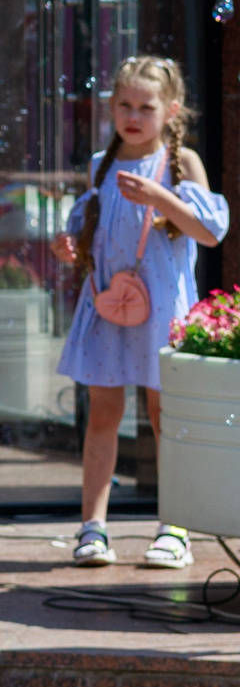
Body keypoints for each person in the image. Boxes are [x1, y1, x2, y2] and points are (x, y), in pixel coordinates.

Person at [57, 55, 226, 569]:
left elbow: (211, 231)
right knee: (103, 415)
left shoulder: (182, 163)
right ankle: (93, 527)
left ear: (170, 111)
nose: (134, 116)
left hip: (161, 314)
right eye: (125, 105)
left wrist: (160, 196)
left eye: (146, 106)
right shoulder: (99, 165)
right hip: (109, 307)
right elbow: (93, 232)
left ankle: (174, 528)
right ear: (111, 107)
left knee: (164, 418)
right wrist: (73, 248)